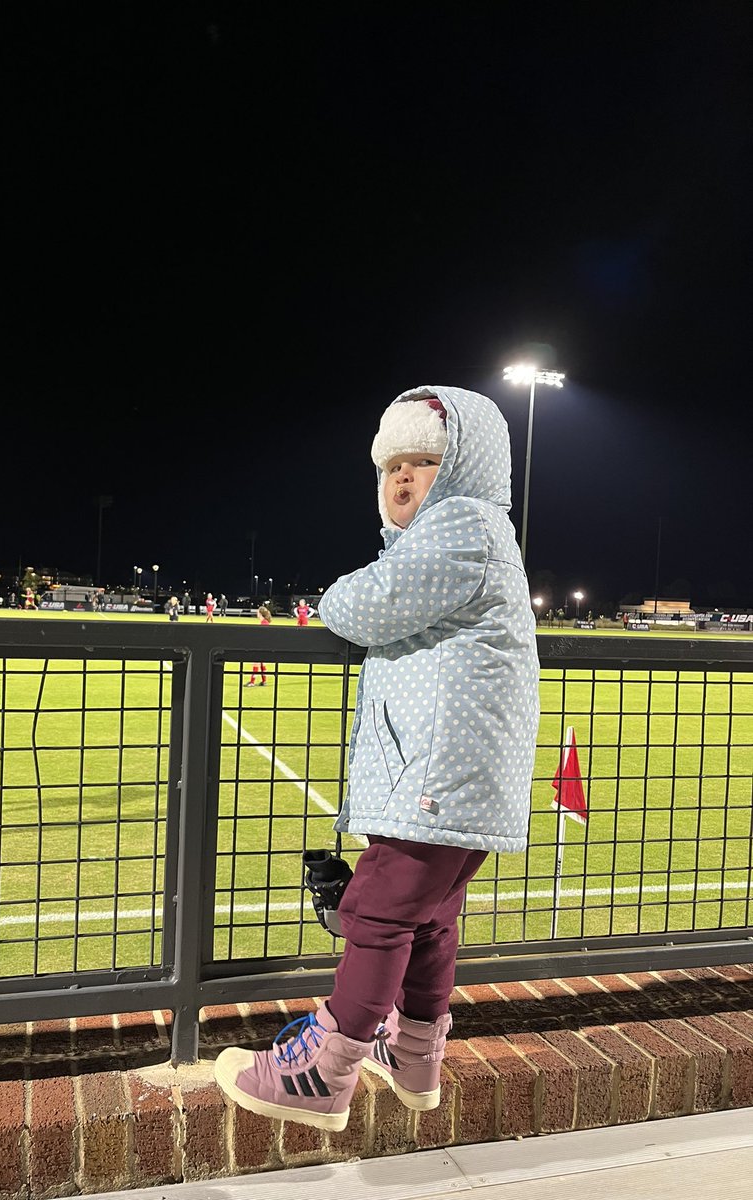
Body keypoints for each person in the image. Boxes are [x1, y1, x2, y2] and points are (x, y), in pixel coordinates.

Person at [214, 386, 540, 1130]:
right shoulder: (472, 532)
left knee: (377, 909)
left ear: (464, 470)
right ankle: (415, 1055)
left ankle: (323, 1075)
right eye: (391, 464)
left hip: (440, 771)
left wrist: (332, 594)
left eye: (425, 460)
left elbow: (360, 607)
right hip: (456, 772)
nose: (402, 477)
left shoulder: (461, 525)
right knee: (429, 918)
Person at [245, 605, 272, 686]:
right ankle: (264, 681)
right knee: (262, 663)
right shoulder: (265, 622)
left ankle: (252, 682)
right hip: (264, 646)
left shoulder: (264, 623)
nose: (256, 613)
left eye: (257, 612)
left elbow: (263, 636)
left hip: (261, 646)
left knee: (256, 663)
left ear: (260, 613)